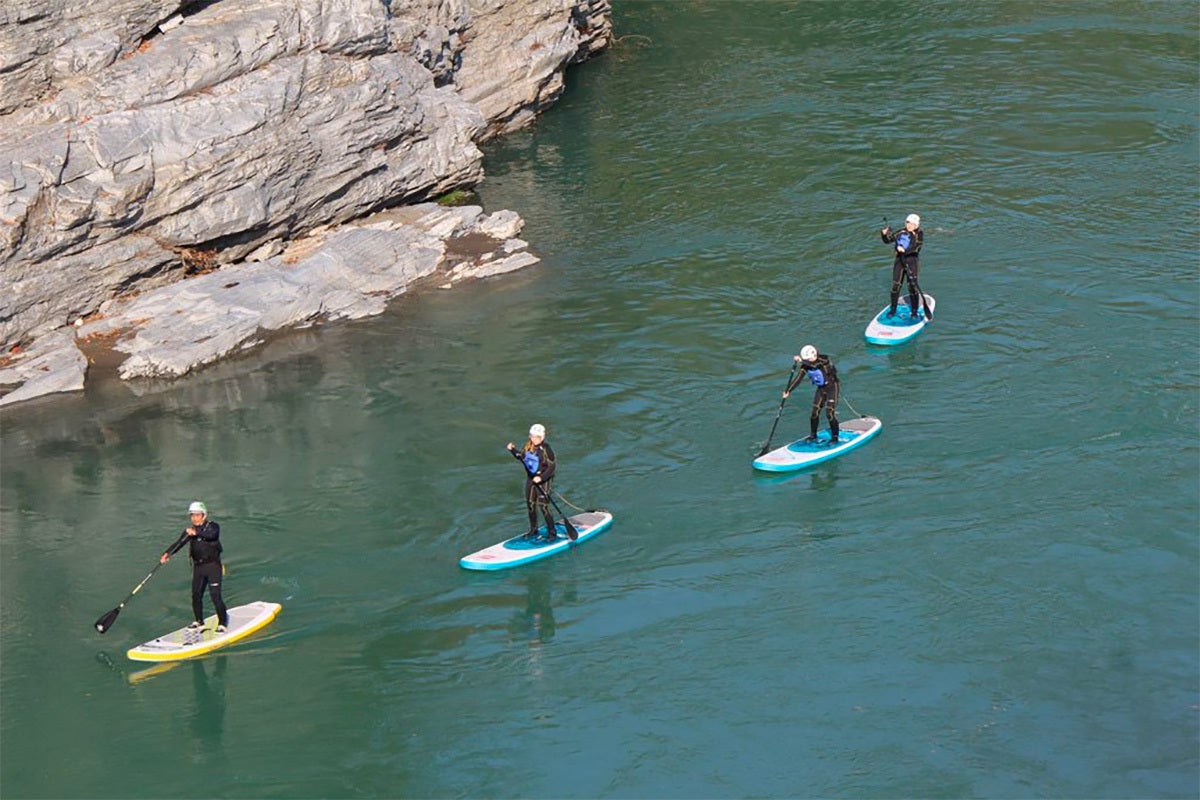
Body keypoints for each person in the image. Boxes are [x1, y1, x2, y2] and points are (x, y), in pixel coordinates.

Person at [161, 501, 229, 632]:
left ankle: (222, 623)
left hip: (213, 567)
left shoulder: (213, 527)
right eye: (192, 515)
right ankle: (199, 621)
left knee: (215, 596)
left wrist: (196, 532)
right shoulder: (190, 531)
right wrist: (167, 553)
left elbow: (212, 535)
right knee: (196, 595)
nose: (194, 518)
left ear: (204, 515)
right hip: (198, 568)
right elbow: (178, 544)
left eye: (197, 515)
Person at [506, 424, 559, 540]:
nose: (534, 439)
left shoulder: (546, 449)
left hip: (544, 480)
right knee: (530, 505)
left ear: (542, 437)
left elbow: (552, 467)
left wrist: (541, 478)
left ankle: (552, 533)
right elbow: (521, 457)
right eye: (532, 436)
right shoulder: (528, 447)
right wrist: (512, 450)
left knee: (543, 507)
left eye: (537, 437)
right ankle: (533, 530)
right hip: (531, 479)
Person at [783, 345, 840, 444]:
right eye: (807, 359)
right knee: (814, 413)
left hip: (832, 387)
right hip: (821, 389)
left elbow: (816, 365)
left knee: (829, 413)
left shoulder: (824, 359)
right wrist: (788, 390)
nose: (809, 360)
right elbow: (798, 379)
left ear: (815, 354)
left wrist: (801, 361)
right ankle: (813, 435)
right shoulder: (806, 365)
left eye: (810, 358)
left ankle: (835, 437)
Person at [880, 212, 924, 319]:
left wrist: (904, 250)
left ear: (917, 225)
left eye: (912, 224)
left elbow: (917, 247)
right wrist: (884, 234)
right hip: (899, 261)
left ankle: (914, 311)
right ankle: (893, 309)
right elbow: (887, 241)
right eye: (908, 222)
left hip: (912, 262)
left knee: (912, 287)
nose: (909, 225)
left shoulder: (919, 234)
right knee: (895, 286)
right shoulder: (901, 232)